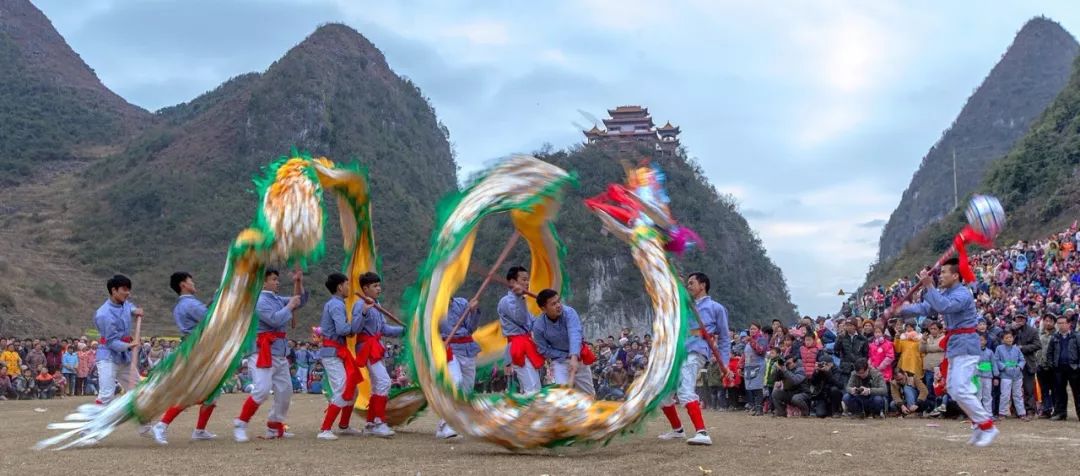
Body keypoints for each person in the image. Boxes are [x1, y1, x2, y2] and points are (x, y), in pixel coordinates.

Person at [895, 258, 998, 446]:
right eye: (940, 273)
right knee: (953, 389)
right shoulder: (945, 292)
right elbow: (926, 307)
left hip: (967, 345)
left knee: (959, 388)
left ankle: (987, 424)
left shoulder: (963, 294)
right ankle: (978, 423)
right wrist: (903, 309)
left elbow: (943, 306)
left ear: (955, 275)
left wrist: (929, 286)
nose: (940, 276)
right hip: (955, 346)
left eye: (943, 272)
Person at [233, 268, 307, 442]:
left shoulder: (276, 299)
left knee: (285, 391)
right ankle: (240, 423)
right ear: (263, 282)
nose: (277, 282)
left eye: (277, 279)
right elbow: (275, 320)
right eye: (274, 279)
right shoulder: (258, 301)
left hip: (279, 353)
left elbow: (300, 301)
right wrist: (290, 306)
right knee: (262, 390)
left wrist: (299, 282)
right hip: (261, 352)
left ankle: (274, 425)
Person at [658, 272, 729, 446]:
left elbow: (725, 338)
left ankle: (702, 432)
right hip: (680, 352)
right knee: (664, 395)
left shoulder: (716, 308)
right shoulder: (685, 306)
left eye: (692, 283)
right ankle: (677, 430)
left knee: (685, 390)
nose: (689, 286)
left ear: (702, 285)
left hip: (696, 352)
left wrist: (724, 364)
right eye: (687, 283)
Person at [152, 272, 220, 445]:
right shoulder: (190, 303)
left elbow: (204, 315)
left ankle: (200, 430)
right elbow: (210, 318)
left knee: (213, 390)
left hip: (196, 348)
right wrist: (220, 299)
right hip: (197, 349)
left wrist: (214, 301)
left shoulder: (182, 305)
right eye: (191, 281)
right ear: (183, 284)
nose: (194, 283)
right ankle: (162, 425)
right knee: (192, 391)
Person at [353, 272, 402, 438]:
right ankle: (379, 422)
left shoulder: (377, 304)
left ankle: (371, 423)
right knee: (384, 381)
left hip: (376, 347)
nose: (379, 289)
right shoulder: (360, 305)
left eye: (379, 285)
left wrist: (404, 330)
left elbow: (384, 329)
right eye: (375, 286)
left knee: (377, 385)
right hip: (366, 348)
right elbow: (355, 329)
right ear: (365, 288)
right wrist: (365, 312)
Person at [315, 273, 363, 441]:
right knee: (342, 389)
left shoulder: (336, 304)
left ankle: (344, 425)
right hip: (333, 353)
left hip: (338, 352)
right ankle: (325, 429)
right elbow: (343, 330)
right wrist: (359, 319)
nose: (349, 288)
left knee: (353, 389)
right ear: (339, 287)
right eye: (347, 284)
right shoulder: (336, 305)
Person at [532, 289, 595, 395]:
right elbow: (543, 349)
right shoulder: (538, 326)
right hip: (559, 361)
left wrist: (573, 357)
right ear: (543, 308)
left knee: (588, 394)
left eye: (558, 301)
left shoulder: (569, 312)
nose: (558, 305)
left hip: (578, 357)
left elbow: (574, 334)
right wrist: (565, 355)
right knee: (563, 393)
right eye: (553, 304)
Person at [94, 275, 144, 407]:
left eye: (129, 290)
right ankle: (95, 426)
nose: (128, 293)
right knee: (106, 396)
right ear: (114, 290)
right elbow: (111, 342)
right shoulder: (104, 314)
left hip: (124, 358)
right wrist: (129, 345)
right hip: (108, 357)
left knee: (139, 392)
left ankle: (146, 426)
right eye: (124, 289)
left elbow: (130, 307)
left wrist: (135, 311)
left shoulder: (125, 304)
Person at [436, 295, 480, 439]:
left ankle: (459, 424)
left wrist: (473, 311)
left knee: (467, 390)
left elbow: (471, 328)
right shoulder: (433, 307)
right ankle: (447, 425)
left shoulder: (462, 302)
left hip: (467, 348)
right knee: (455, 383)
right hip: (449, 350)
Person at [499, 266, 543, 394]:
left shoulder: (521, 301)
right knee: (531, 388)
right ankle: (532, 412)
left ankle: (535, 412)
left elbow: (534, 323)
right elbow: (521, 319)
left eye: (527, 280)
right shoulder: (505, 301)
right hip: (518, 346)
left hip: (528, 343)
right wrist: (520, 298)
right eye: (523, 280)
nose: (527, 283)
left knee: (536, 387)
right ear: (513, 282)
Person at [1045, 315, 1080, 421]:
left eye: (1063, 323)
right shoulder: (1055, 337)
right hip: (1059, 369)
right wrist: (1052, 365)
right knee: (1059, 392)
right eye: (1059, 323)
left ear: (1069, 324)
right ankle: (1061, 413)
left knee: (1078, 392)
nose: (1060, 325)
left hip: (1074, 368)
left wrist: (1078, 366)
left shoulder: (1076, 336)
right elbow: (1049, 353)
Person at [993, 330, 1028, 420]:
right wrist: (1004, 367)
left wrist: (1019, 367)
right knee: (1005, 394)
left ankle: (1021, 413)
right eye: (1007, 338)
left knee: (1018, 394)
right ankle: (1002, 413)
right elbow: (996, 360)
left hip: (1017, 375)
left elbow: (1022, 359)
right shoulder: (999, 348)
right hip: (1005, 375)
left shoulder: (1016, 348)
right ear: (1002, 339)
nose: (1009, 339)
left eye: (1010, 337)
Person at [742, 322, 768, 415]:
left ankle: (759, 409)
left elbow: (760, 350)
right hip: (748, 366)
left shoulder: (762, 339)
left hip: (758, 365)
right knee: (750, 388)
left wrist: (752, 341)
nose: (752, 330)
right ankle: (753, 407)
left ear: (759, 330)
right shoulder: (748, 341)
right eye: (751, 329)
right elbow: (744, 354)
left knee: (758, 387)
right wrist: (740, 365)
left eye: (754, 329)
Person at [976, 335, 994, 416]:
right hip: (977, 376)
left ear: (986, 341)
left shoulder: (990, 352)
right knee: (978, 395)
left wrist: (996, 375)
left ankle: (989, 414)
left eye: (982, 340)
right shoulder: (974, 352)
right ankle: (978, 414)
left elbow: (994, 364)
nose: (980, 342)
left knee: (987, 395)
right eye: (978, 340)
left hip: (988, 376)